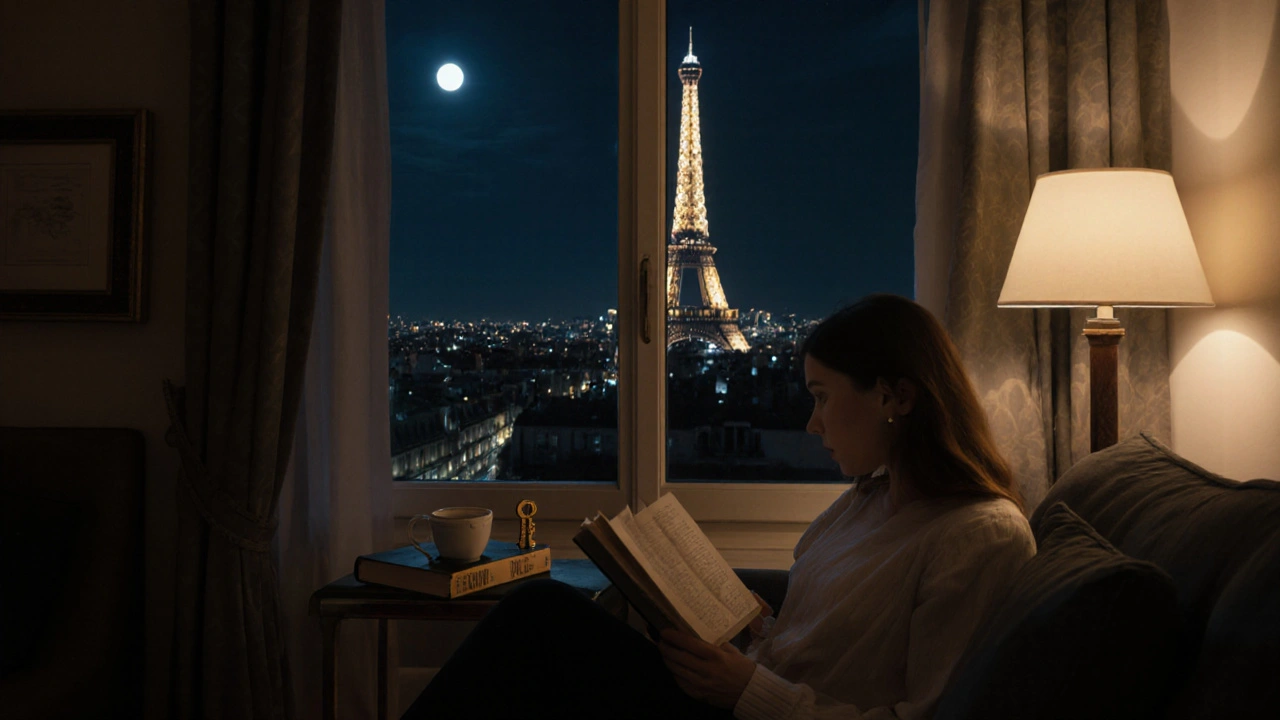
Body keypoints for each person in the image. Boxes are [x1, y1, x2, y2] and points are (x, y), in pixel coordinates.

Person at [401, 294, 1034, 720]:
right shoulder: (872, 499)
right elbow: (831, 641)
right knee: (541, 627)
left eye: (821, 396)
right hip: (737, 688)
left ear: (894, 396)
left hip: (743, 710)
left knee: (539, 618)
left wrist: (747, 688)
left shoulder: (979, 536)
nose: (812, 423)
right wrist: (760, 626)